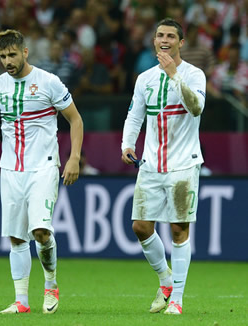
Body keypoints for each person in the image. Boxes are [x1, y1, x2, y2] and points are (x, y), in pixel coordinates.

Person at [0, 29, 83, 314]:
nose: (8, 61)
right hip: (10, 169)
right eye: (3, 56)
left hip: (44, 166)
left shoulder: (49, 82)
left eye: (12, 55)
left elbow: (75, 119)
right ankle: (21, 301)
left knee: (41, 231)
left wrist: (74, 158)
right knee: (17, 237)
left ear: (25, 52)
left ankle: (50, 285)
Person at [121, 18, 206, 315]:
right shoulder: (144, 79)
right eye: (160, 35)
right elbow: (135, 115)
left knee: (179, 230)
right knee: (140, 227)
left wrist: (174, 75)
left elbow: (196, 107)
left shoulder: (194, 75)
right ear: (154, 40)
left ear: (181, 42)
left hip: (184, 164)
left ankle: (178, 300)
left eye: (171, 36)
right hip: (151, 163)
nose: (164, 40)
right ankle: (166, 279)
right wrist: (127, 144)